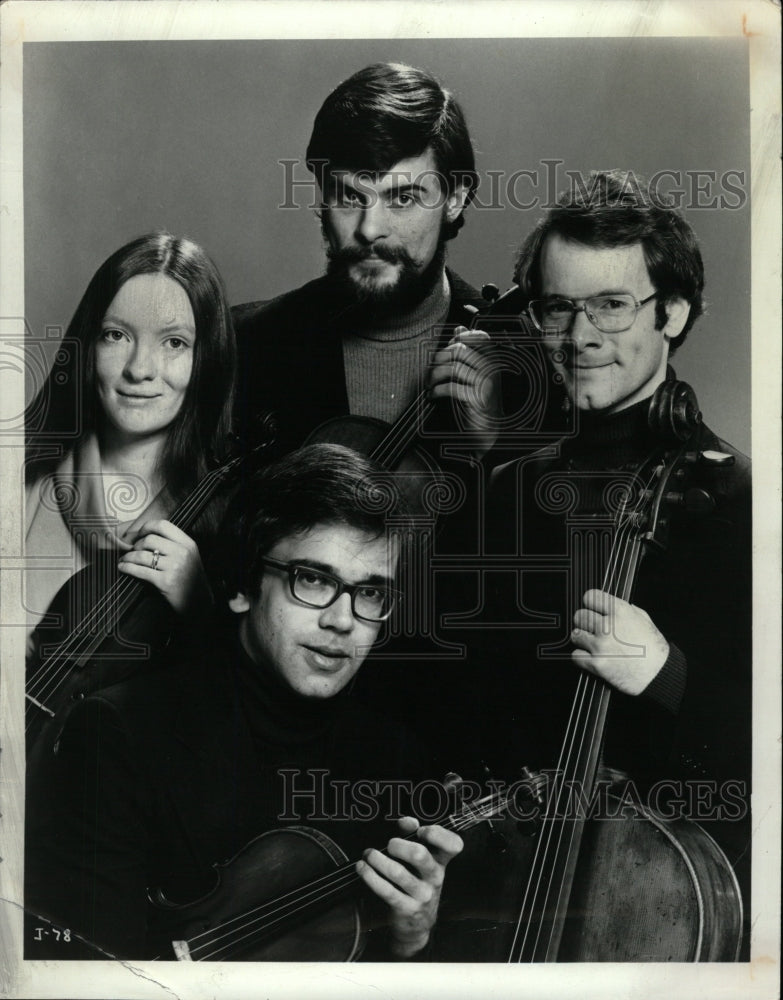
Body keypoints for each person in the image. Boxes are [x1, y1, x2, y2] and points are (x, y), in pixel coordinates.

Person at [24, 444, 463, 962]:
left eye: (369, 593)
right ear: (240, 587)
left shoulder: (398, 759)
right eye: (313, 579)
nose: (343, 621)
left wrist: (410, 940)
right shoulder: (115, 733)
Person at [479, 170, 751, 955]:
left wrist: (667, 674)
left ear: (671, 312)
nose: (579, 336)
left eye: (609, 304)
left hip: (659, 905)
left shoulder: (743, 500)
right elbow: (454, 709)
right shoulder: (506, 492)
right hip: (508, 886)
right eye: (558, 307)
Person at [233, 61, 505, 466]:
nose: (369, 229)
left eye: (403, 198)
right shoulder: (244, 345)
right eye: (348, 197)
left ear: (455, 199)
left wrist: (494, 446)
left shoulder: (521, 362)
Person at [24, 232, 236, 660]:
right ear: (88, 345)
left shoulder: (230, 518)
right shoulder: (21, 477)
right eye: (116, 335)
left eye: (174, 343)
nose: (140, 369)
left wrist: (199, 608)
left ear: (206, 361)